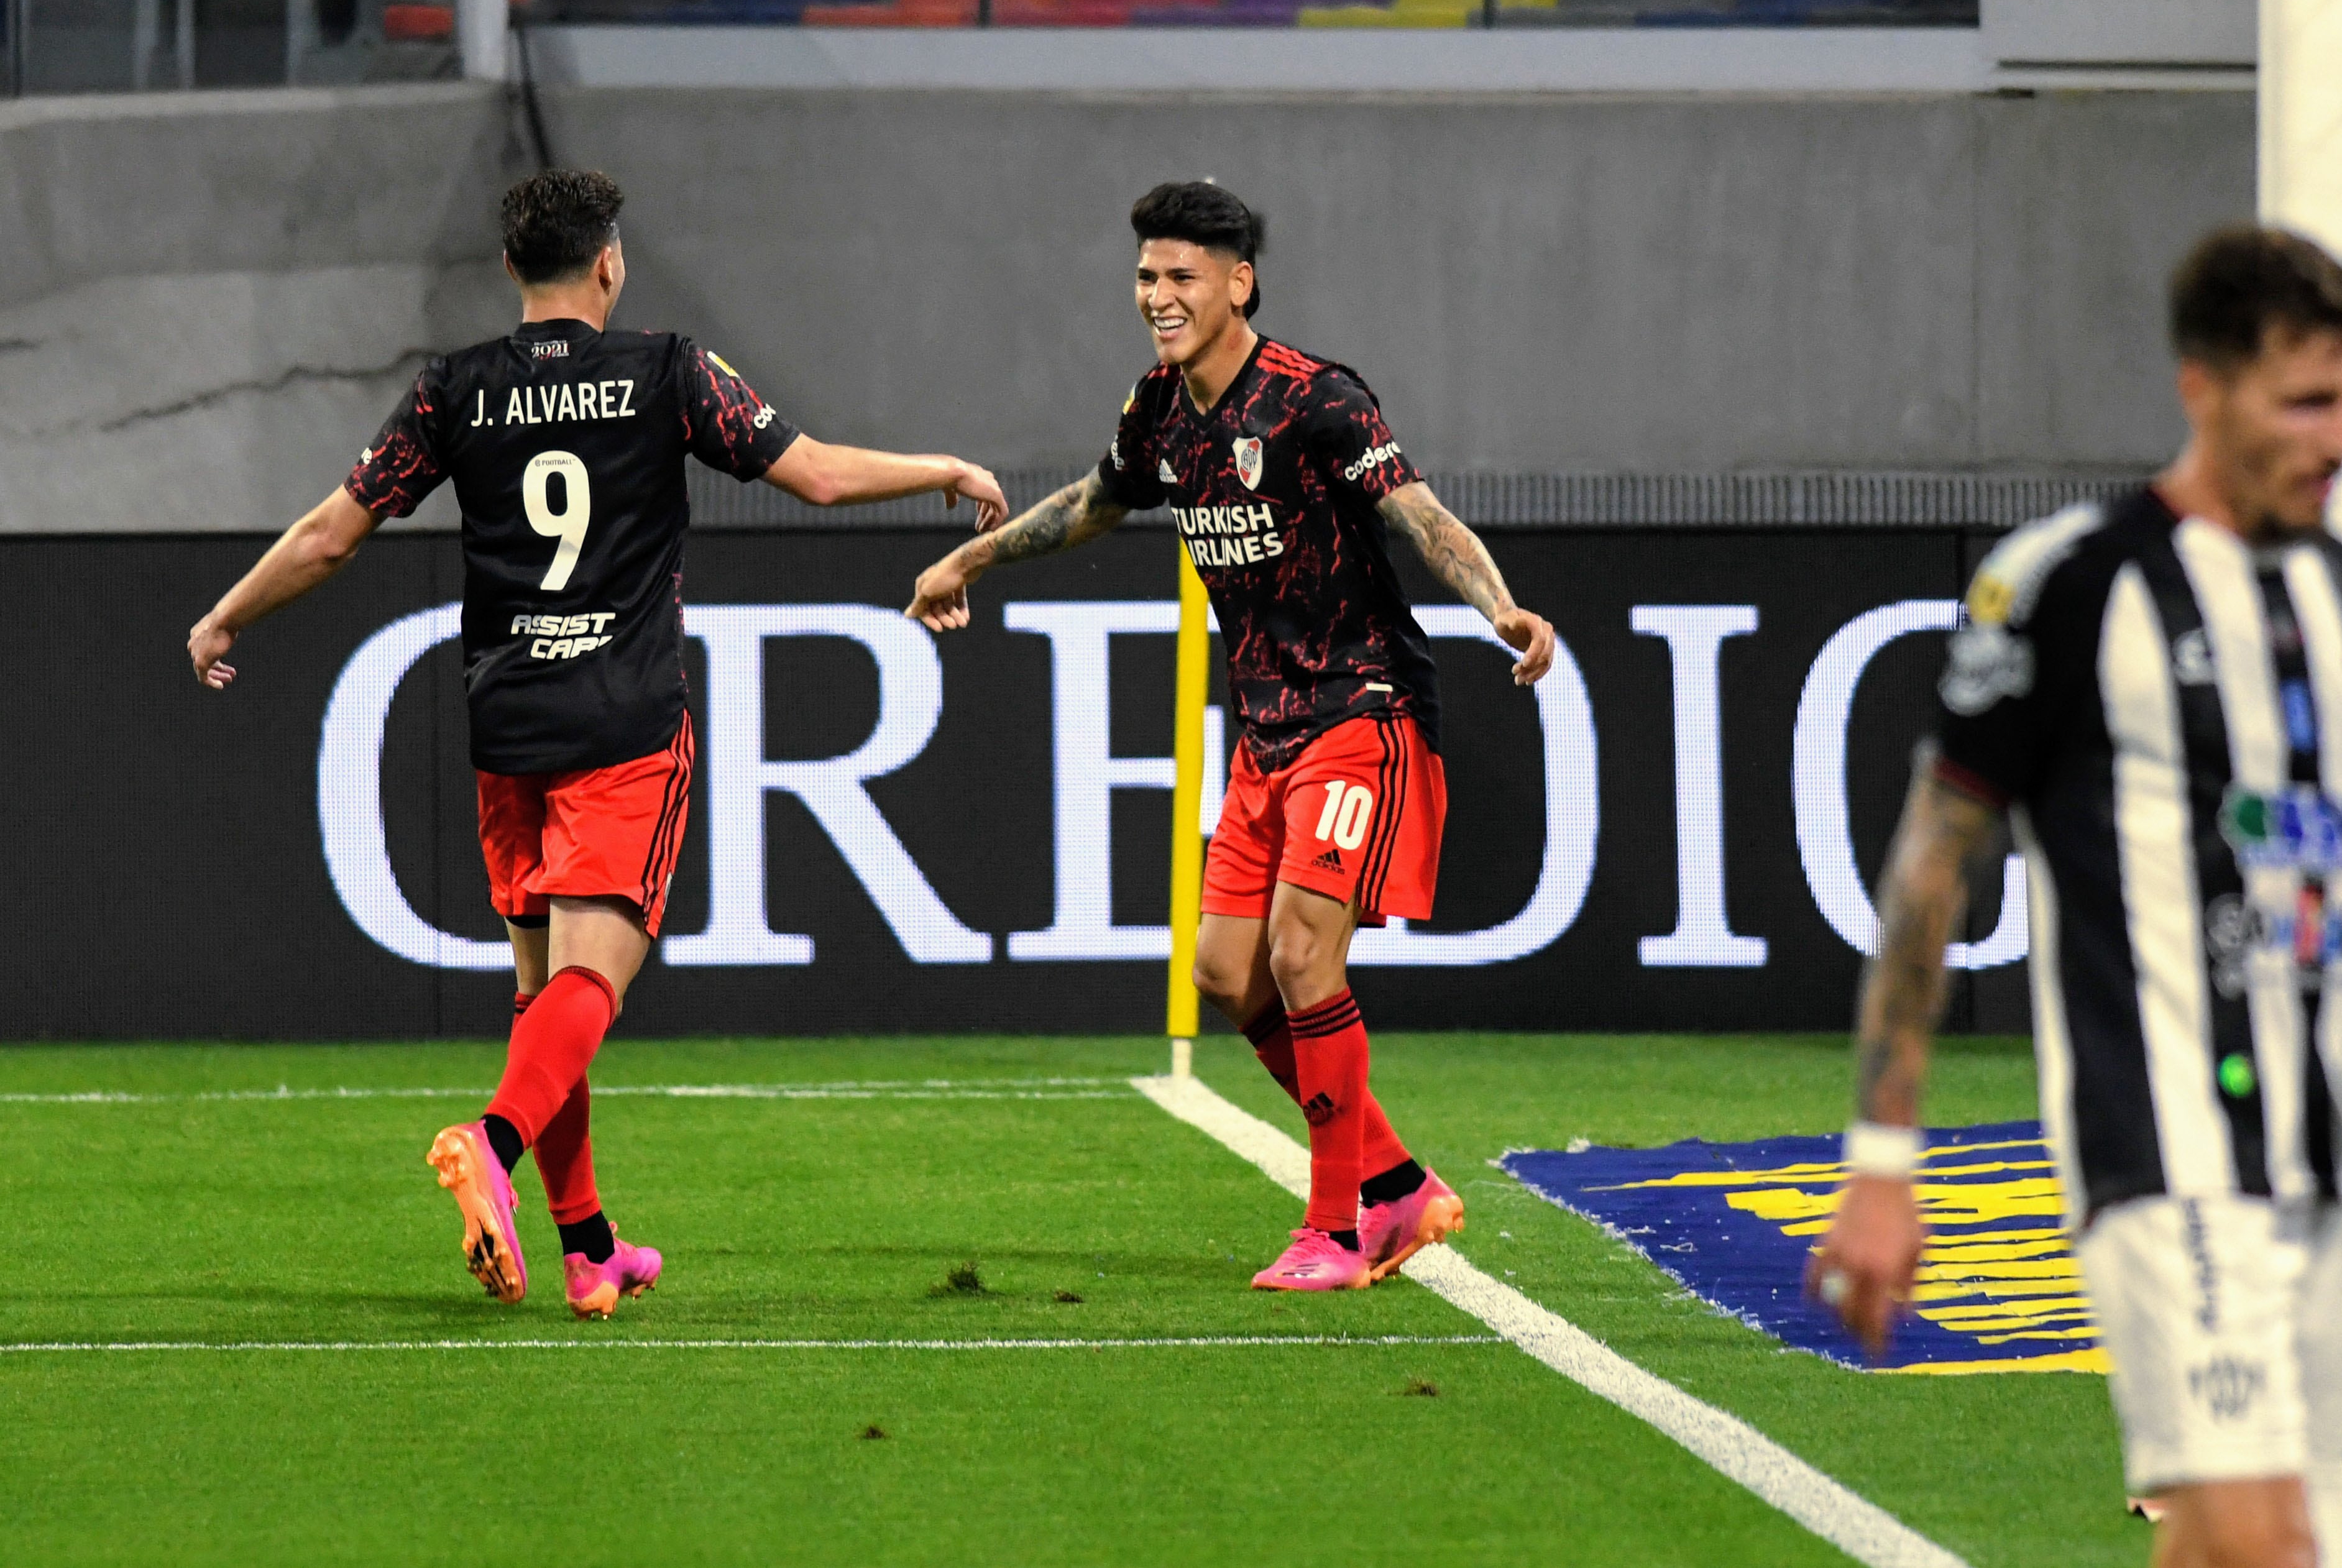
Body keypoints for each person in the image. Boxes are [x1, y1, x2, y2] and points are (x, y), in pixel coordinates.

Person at [1807, 226, 2342, 1568]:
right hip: (2159, 1150)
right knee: (2270, 1540)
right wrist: (1884, 1161)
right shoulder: (2070, 582)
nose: (2339, 437)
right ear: (2202, 389)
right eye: (2304, 401)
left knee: (2246, 1548)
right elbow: (1934, 864)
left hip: (2326, 1162)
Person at [187, 168, 1008, 1318]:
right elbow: (814, 475)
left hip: (507, 724)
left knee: (544, 1006)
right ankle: (490, 1142)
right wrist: (947, 470)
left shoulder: (454, 389)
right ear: (609, 263)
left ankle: (588, 1245)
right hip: (621, 720)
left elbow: (332, 535)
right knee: (591, 986)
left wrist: (227, 612)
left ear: (513, 270)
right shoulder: (667, 370)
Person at [909, 180, 1555, 1291]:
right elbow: (1097, 503)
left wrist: (1498, 606)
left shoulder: (1317, 400)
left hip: (1362, 710)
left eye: (1181, 278)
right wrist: (970, 559)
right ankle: (1398, 1187)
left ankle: (1335, 1227)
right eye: (1148, 277)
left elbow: (1417, 512)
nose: (1157, 297)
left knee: (1303, 955)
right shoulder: (1159, 407)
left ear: (1238, 283)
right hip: (1264, 733)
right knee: (1225, 971)